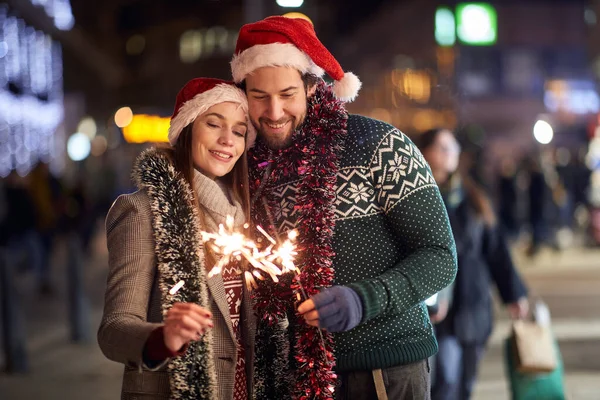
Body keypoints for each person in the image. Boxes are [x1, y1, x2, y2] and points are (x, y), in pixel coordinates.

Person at [231, 16, 458, 399]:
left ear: (311, 87)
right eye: (259, 97)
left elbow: (440, 256)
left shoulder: (379, 144)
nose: (273, 111)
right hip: (296, 377)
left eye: (287, 94)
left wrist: (362, 299)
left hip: (387, 368)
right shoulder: (251, 170)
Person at [98, 78, 257, 400]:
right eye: (213, 124)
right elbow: (114, 330)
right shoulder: (142, 211)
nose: (227, 139)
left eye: (239, 131)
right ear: (187, 129)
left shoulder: (251, 218)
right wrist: (162, 337)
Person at [417, 128, 529, 400]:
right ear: (424, 153)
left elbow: (496, 249)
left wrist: (514, 294)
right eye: (442, 147)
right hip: (440, 311)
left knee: (466, 385)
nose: (450, 153)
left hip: (476, 305)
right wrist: (428, 299)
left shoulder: (473, 195)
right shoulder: (416, 197)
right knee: (445, 381)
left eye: (453, 147)